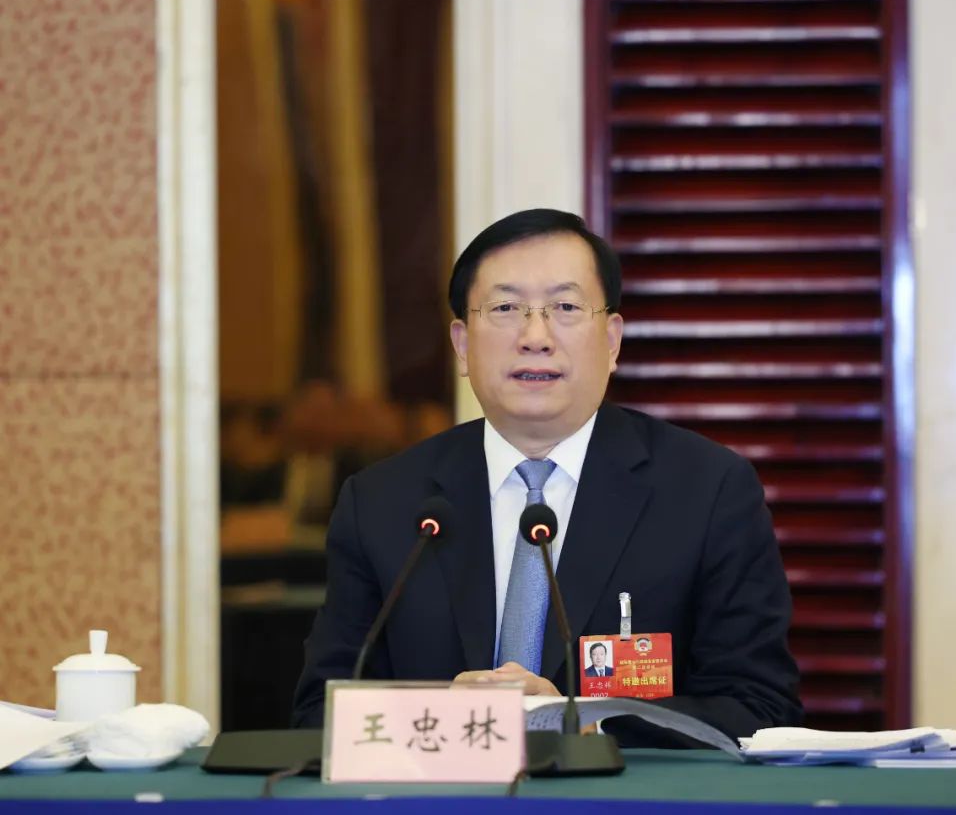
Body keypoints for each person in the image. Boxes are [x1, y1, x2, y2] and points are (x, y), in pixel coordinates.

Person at [292, 208, 802, 746]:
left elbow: (760, 709)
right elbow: (318, 717)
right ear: (462, 345)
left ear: (612, 341)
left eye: (565, 307)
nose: (535, 336)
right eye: (505, 308)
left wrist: (581, 721)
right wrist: (444, 720)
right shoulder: (382, 503)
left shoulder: (706, 491)